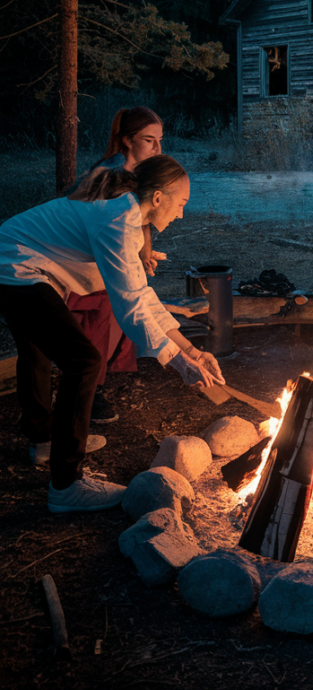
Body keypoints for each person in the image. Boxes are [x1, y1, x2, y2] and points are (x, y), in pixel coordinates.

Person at [0, 155, 225, 512]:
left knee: (54, 354)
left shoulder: (128, 219)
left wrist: (190, 351)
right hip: (17, 266)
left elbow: (143, 296)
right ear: (157, 199)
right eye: (180, 204)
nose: (181, 214)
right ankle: (66, 486)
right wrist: (177, 362)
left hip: (20, 263)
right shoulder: (118, 222)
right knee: (85, 361)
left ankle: (52, 445)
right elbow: (130, 306)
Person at [68, 107, 165, 424]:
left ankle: (96, 383)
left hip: (110, 257)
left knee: (115, 315)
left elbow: (142, 218)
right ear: (126, 140)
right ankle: (88, 395)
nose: (157, 149)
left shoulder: (140, 173)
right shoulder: (110, 173)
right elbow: (104, 223)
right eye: (149, 140)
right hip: (84, 259)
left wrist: (144, 252)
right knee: (101, 318)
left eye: (159, 141)